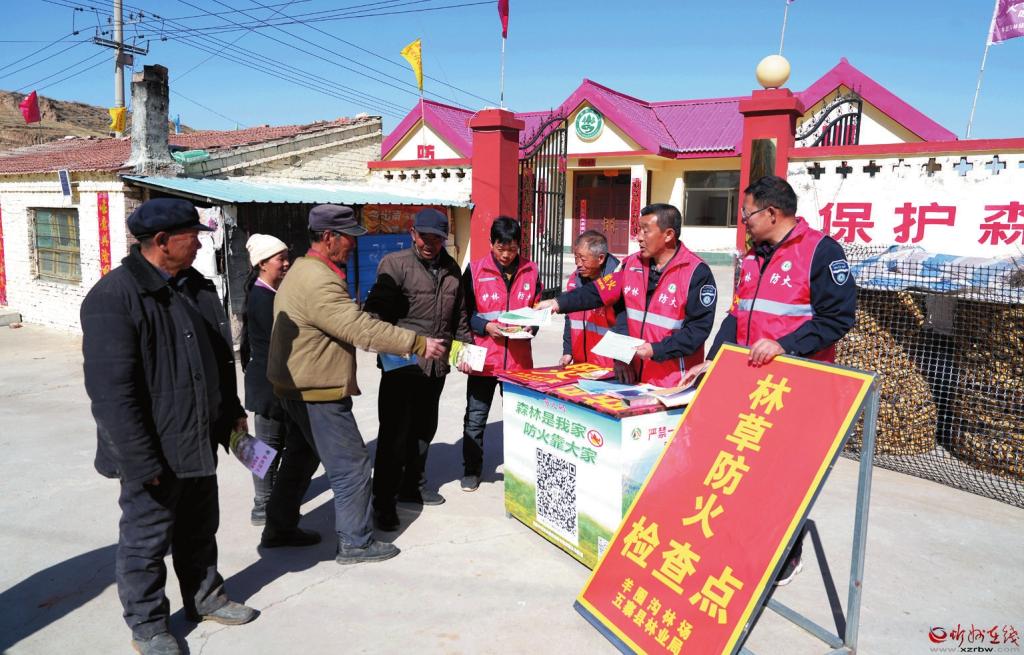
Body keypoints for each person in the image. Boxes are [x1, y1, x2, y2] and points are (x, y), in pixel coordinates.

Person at [81, 198, 256, 655]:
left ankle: (206, 597)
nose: (199, 244)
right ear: (161, 241)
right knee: (146, 542)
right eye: (192, 236)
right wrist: (140, 461)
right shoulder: (113, 298)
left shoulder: (195, 286)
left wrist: (232, 412)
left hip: (198, 437)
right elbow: (112, 396)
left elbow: (219, 360)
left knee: (200, 527)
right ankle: (148, 626)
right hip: (154, 451)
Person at [682, 175, 857, 586]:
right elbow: (737, 314)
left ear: (772, 213)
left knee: (784, 474)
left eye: (746, 215)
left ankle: (787, 553)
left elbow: (838, 319)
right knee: (743, 468)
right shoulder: (753, 256)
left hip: (795, 388)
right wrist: (715, 361)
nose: (743, 223)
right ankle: (742, 539)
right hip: (748, 383)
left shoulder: (820, 252)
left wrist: (786, 345)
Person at [264, 204, 445, 564]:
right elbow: (359, 328)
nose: (353, 245)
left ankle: (279, 527)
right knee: (352, 465)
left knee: (300, 457)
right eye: (349, 238)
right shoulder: (319, 280)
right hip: (317, 390)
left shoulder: (302, 269)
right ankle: (355, 542)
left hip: (295, 385)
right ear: (329, 237)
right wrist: (417, 343)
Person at [362, 208, 472, 531]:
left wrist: (465, 349)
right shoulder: (395, 265)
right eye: (424, 236)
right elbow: (376, 313)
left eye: (436, 238)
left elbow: (459, 316)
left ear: (444, 239)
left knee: (424, 430)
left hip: (435, 367)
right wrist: (395, 342)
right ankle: (383, 503)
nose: (429, 243)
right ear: (413, 234)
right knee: (394, 436)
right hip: (401, 367)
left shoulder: (452, 269)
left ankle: (413, 486)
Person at [538, 203, 716, 387]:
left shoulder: (695, 272)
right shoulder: (631, 265)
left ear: (668, 235)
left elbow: (698, 330)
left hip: (672, 382)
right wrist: (557, 303)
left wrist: (656, 350)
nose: (639, 237)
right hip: (632, 380)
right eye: (639, 230)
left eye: (645, 231)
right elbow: (598, 291)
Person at [459, 216, 542, 492]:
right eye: (501, 248)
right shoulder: (475, 271)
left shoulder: (531, 270)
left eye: (512, 248)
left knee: (520, 419)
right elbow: (463, 313)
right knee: (475, 418)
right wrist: (485, 326)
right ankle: (471, 470)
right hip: (484, 360)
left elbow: (537, 310)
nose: (506, 254)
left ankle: (520, 471)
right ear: (491, 243)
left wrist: (532, 327)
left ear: (519, 245)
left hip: (518, 363)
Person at [239, 234, 291, 526]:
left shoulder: (267, 293)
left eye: (286, 257)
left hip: (267, 382)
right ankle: (262, 504)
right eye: (280, 259)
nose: (286, 263)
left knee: (269, 445)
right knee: (265, 447)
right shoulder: (263, 298)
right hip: (268, 385)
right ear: (262, 263)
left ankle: (269, 498)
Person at [559, 230, 620, 369]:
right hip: (580, 364)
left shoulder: (616, 283)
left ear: (600, 258)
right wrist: (568, 351)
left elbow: (625, 328)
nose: (578, 264)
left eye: (583, 259)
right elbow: (570, 318)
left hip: (608, 367)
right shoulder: (575, 279)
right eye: (576, 257)